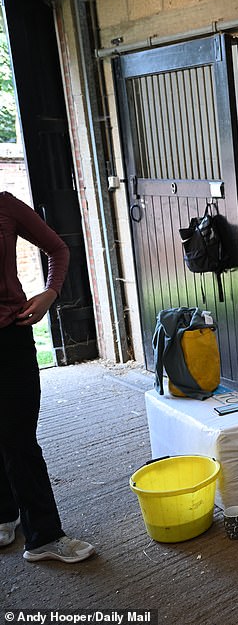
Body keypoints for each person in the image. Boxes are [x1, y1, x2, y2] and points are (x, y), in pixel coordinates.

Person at [0, 190, 95, 563]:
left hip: (10, 337)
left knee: (19, 437)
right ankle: (6, 513)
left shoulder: (5, 206)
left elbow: (58, 248)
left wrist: (50, 293)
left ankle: (43, 535)